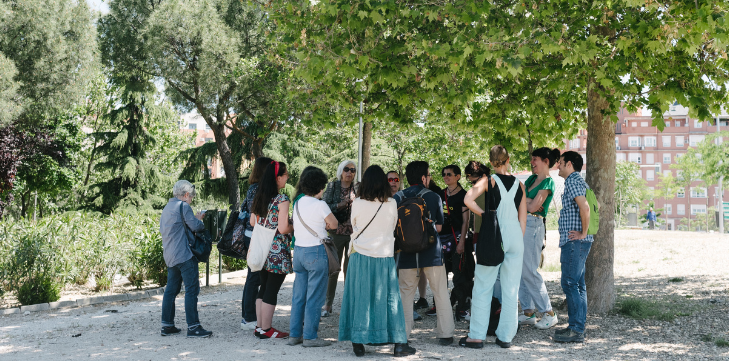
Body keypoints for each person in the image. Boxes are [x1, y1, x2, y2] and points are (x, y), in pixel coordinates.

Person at [339, 165, 412, 357]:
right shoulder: (391, 204)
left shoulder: (358, 203)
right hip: (384, 255)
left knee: (360, 297)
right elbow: (392, 226)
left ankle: (358, 341)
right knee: (390, 299)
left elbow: (354, 225)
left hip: (360, 255)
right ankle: (398, 343)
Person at [460, 145, 526, 349]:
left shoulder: (487, 181)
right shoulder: (520, 184)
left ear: (490, 162)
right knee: (510, 288)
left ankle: (477, 336)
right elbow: (522, 219)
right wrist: (515, 239)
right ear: (508, 160)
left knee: (483, 286)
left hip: (494, 233)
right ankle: (505, 336)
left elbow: (467, 199)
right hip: (515, 235)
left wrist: (484, 214)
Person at [394, 161, 455, 347]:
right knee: (440, 291)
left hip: (405, 253)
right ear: (423, 177)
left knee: (405, 293)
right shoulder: (434, 196)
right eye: (428, 175)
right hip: (431, 252)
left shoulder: (397, 197)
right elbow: (438, 226)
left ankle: (402, 335)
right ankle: (445, 334)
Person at [288, 166, 338, 347]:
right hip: (316, 252)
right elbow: (333, 224)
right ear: (320, 187)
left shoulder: (298, 203)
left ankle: (294, 335)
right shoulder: (320, 204)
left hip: (299, 252)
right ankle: (310, 337)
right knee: (315, 296)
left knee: (298, 296)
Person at [159, 180, 212, 338]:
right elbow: (196, 227)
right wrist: (199, 218)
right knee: (191, 290)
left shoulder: (167, 208)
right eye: (191, 197)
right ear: (186, 195)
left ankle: (167, 325)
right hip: (184, 255)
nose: (191, 200)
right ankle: (194, 327)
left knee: (171, 291)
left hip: (170, 256)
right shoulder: (183, 206)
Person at [250, 161, 293, 339]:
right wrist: (294, 225)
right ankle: (267, 329)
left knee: (264, 287)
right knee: (271, 290)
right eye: (285, 175)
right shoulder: (281, 200)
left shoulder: (259, 196)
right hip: (276, 251)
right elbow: (283, 229)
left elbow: (253, 222)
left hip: (261, 249)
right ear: (277, 178)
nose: (287, 178)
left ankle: (260, 326)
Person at [555, 151, 594, 343]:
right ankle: (576, 326)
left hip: (575, 241)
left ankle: (577, 330)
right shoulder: (581, 181)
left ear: (569, 164)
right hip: (579, 242)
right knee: (578, 285)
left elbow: (585, 207)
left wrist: (583, 233)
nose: (557, 167)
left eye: (560, 163)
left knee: (569, 283)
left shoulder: (572, 181)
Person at [518, 148, 560, 330]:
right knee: (520, 269)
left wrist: (525, 202)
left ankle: (549, 313)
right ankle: (528, 312)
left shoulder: (549, 182)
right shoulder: (531, 179)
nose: (532, 162)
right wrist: (527, 202)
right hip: (522, 223)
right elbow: (522, 200)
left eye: (535, 159)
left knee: (529, 270)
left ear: (545, 161)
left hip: (534, 225)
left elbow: (534, 206)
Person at [430, 165, 469, 320]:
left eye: (449, 174)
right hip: (441, 239)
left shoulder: (465, 195)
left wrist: (461, 243)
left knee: (459, 275)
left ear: (458, 176)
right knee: (439, 275)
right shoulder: (440, 194)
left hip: (457, 238)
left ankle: (461, 308)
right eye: (444, 174)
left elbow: (466, 221)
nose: (446, 177)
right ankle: (439, 306)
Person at [321, 160, 359, 317]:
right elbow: (323, 207)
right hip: (336, 233)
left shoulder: (357, 188)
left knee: (350, 270)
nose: (349, 172)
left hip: (353, 235)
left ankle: (349, 305)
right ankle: (327, 304)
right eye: (346, 169)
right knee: (333, 270)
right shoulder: (332, 186)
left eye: (352, 170)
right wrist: (340, 205)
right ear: (340, 171)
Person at [241, 156, 273, 331]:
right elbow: (257, 215)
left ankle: (249, 315)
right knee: (253, 278)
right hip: (254, 235)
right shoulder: (257, 189)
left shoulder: (254, 188)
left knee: (254, 277)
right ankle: (248, 317)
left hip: (253, 235)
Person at [388, 170, 425, 322]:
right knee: (390, 278)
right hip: (386, 244)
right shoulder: (381, 199)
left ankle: (408, 309)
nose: (393, 182)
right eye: (390, 179)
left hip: (403, 244)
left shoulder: (406, 196)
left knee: (405, 279)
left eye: (396, 179)